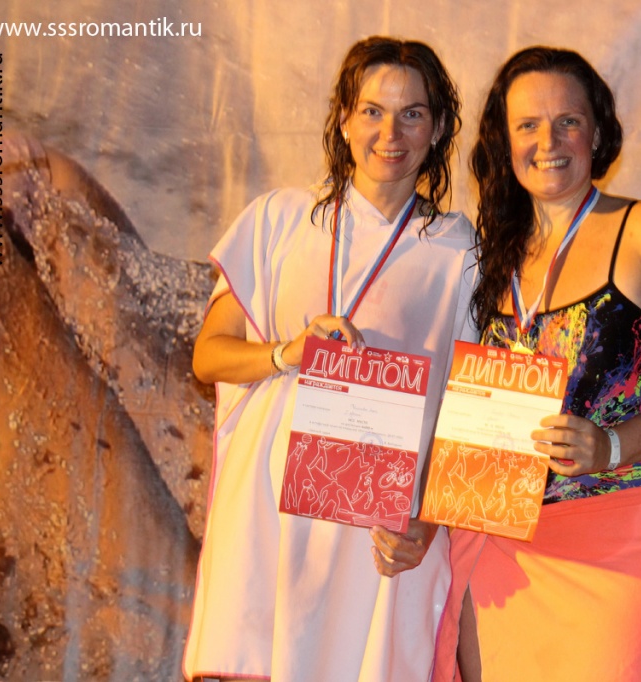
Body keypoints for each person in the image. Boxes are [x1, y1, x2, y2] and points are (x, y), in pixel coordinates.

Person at [431, 47, 641, 681]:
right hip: (503, 554)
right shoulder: (490, 261)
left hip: (629, 539)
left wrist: (610, 444)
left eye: (567, 121)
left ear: (597, 132)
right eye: (528, 125)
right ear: (504, 141)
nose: (548, 142)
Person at [182, 37, 476, 682]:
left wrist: (428, 523)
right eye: (372, 111)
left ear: (438, 129)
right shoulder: (278, 219)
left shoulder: (461, 252)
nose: (390, 134)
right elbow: (208, 356)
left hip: (379, 529)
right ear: (343, 120)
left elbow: (473, 414)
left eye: (413, 114)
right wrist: (287, 353)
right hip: (269, 511)